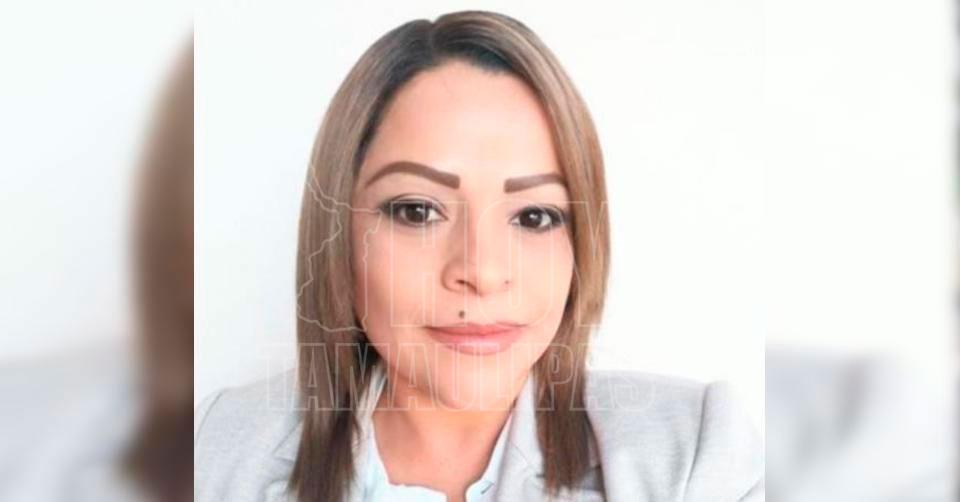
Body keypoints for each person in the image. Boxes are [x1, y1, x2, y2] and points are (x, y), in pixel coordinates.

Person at [194, 11, 762, 502]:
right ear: (338, 231)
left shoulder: (694, 455)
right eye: (417, 211)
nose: (482, 272)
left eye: (534, 217)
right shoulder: (209, 450)